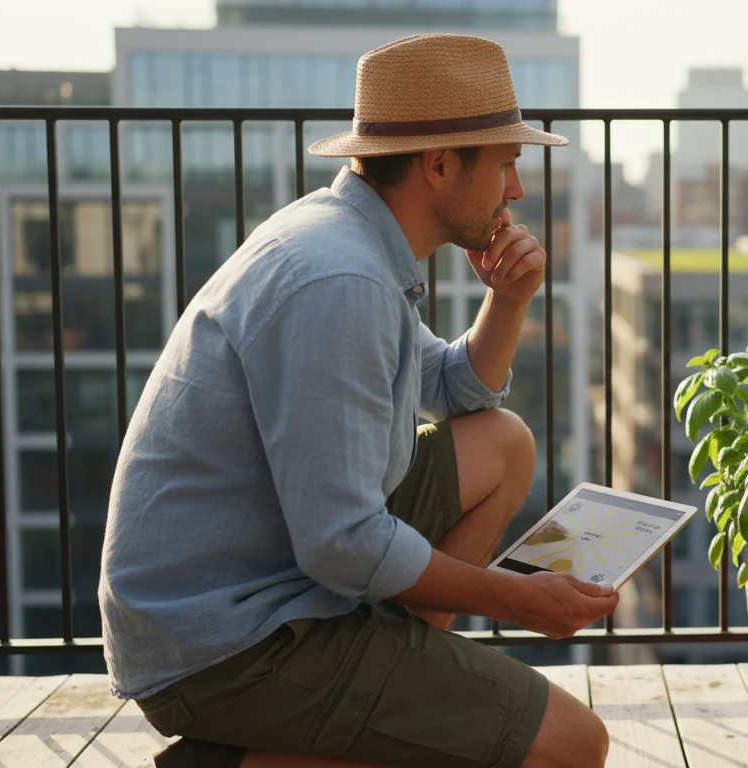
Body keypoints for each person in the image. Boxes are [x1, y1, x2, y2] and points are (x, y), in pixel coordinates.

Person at [98, 33, 617, 768]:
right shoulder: (340, 280)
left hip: (258, 582)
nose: (516, 190)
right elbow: (342, 542)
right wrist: (518, 599)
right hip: (228, 643)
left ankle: (402, 687)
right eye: (505, 163)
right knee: (572, 746)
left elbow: (449, 390)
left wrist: (508, 301)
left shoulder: (353, 241)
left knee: (502, 442)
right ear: (439, 164)